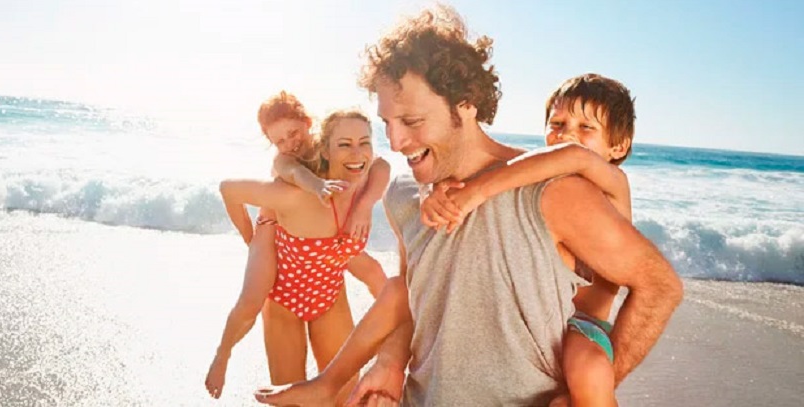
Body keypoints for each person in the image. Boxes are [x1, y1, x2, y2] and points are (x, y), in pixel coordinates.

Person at [255, 5, 682, 406]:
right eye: (387, 122)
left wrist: (588, 393)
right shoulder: (402, 194)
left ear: (466, 103)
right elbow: (410, 295)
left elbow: (659, 286)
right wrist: (390, 361)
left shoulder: (555, 192)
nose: (396, 141)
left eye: (412, 121)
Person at [420, 73, 638, 407]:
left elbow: (573, 156)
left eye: (586, 128)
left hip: (583, 327)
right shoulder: (544, 177)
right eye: (558, 124)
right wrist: (435, 188)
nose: (567, 135)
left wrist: (475, 193)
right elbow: (501, 166)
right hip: (538, 325)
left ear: (618, 147)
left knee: (589, 371)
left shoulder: (613, 182)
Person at [205, 107, 390, 402]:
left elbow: (382, 166)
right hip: (284, 295)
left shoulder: (363, 176)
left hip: (328, 293)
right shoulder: (292, 191)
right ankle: (222, 353)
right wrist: (252, 238)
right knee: (251, 302)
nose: (357, 153)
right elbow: (231, 188)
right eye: (345, 144)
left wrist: (401, 342)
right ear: (328, 149)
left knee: (345, 399)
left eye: (364, 143)